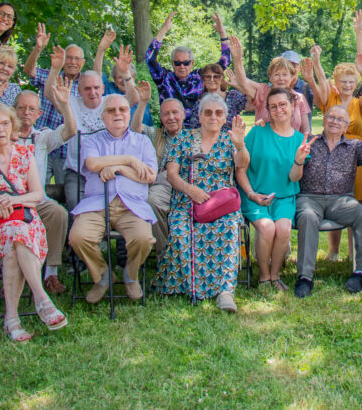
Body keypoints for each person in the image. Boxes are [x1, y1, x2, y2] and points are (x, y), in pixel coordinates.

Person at [0, 104, 68, 341]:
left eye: (5, 124)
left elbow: (37, 194)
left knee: (14, 241)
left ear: (12, 126)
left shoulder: (23, 153)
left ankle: (13, 321)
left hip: (21, 219)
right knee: (15, 238)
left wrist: (12, 200)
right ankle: (41, 299)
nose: (0, 129)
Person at [154, 95, 250, 312]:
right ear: (199, 116)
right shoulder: (183, 138)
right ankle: (191, 286)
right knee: (180, 231)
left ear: (225, 117)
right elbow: (171, 174)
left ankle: (225, 292)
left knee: (228, 228)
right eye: (208, 112)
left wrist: (240, 145)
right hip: (186, 202)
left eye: (218, 113)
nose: (213, 117)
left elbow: (242, 165)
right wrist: (191, 191)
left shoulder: (230, 140)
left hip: (220, 205)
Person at [68, 95, 158, 303]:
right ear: (103, 117)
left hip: (132, 206)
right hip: (96, 205)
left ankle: (131, 274)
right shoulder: (92, 141)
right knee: (78, 237)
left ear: (129, 113)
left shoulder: (142, 141)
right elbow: (92, 164)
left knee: (143, 239)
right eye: (111, 110)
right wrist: (130, 160)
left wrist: (119, 168)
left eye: (122, 109)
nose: (117, 114)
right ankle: (103, 275)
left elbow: (150, 176)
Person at [293, 101, 362, 298]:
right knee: (308, 216)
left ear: (346, 126)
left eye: (340, 119)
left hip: (340, 200)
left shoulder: (353, 146)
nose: (335, 122)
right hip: (309, 198)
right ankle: (305, 277)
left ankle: (361, 272)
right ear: (324, 120)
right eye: (331, 117)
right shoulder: (310, 142)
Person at [302, 47, 362, 257]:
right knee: (336, 198)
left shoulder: (359, 103)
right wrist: (317, 61)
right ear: (336, 81)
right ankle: (333, 251)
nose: (348, 85)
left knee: (356, 203)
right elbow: (321, 80)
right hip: (333, 154)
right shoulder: (330, 99)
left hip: (355, 155)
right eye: (343, 81)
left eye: (351, 82)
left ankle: (353, 254)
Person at [234, 88, 306, 290]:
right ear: (268, 110)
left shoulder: (299, 139)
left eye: (283, 104)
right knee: (267, 228)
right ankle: (264, 277)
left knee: (283, 230)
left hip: (284, 197)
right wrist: (251, 194)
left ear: (293, 106)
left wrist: (299, 161)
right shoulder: (258, 132)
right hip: (254, 194)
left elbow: (294, 177)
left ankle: (276, 275)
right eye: (273, 106)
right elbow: (240, 169)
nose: (278, 109)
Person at [49, 46, 137, 210]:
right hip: (76, 171)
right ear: (79, 90)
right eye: (87, 88)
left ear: (102, 88)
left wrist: (126, 73)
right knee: (75, 206)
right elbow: (49, 93)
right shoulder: (71, 102)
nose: (93, 92)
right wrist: (55, 69)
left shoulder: (110, 101)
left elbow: (133, 98)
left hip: (105, 169)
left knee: (108, 209)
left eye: (96, 88)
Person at [13, 83, 76, 296]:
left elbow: (70, 131)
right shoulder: (3, 138)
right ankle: (11, 277)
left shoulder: (41, 137)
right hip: (10, 202)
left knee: (58, 213)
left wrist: (65, 105)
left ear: (39, 114)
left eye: (31, 109)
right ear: (14, 110)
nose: (26, 112)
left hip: (37, 201)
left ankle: (51, 273)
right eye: (21, 108)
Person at [22, 24, 84, 187]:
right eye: (69, 58)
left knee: (64, 191)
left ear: (83, 62)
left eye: (77, 59)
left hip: (65, 149)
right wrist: (38, 48)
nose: (72, 62)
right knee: (35, 186)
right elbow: (28, 70)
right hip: (41, 145)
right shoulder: (51, 74)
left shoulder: (85, 86)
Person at [144, 10, 231, 126]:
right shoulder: (164, 78)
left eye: (186, 63)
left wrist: (222, 33)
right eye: (177, 63)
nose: (182, 67)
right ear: (172, 63)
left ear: (192, 63)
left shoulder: (201, 76)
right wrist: (163, 30)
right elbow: (149, 58)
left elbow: (225, 61)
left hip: (197, 132)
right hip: (171, 131)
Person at [131, 90, 184, 254]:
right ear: (161, 118)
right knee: (152, 201)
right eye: (166, 114)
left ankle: (188, 255)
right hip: (161, 183)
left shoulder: (192, 136)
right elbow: (135, 129)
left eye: (175, 113)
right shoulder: (155, 134)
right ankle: (166, 255)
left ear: (183, 115)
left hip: (184, 183)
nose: (171, 117)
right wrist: (142, 103)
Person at [228, 36, 312, 135]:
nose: (281, 78)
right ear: (270, 77)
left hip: (292, 144)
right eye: (277, 75)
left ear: (292, 77)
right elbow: (243, 81)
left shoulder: (299, 98)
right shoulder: (262, 91)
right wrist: (238, 59)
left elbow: (306, 131)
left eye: (285, 75)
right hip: (264, 143)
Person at [189, 63, 246, 130]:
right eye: (208, 77)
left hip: (231, 136)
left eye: (216, 77)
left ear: (222, 79)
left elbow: (253, 103)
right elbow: (194, 127)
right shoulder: (198, 102)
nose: (212, 80)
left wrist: (239, 86)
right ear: (203, 80)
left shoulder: (233, 97)